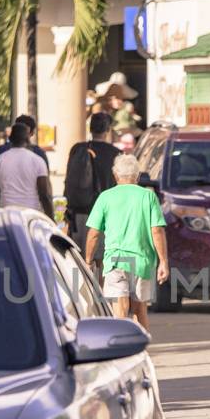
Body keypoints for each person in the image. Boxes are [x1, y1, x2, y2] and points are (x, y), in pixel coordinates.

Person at [84, 154, 168, 328]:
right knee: (140, 310)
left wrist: (88, 260)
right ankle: (141, 349)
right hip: (142, 262)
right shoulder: (148, 196)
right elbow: (157, 230)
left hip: (116, 261)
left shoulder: (105, 197)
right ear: (137, 176)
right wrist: (163, 262)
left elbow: (93, 233)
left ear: (115, 175)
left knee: (120, 311)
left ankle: (122, 349)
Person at [64, 112, 120, 245]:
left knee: (80, 260)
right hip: (104, 215)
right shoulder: (115, 153)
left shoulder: (77, 149)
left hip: (79, 212)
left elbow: (69, 179)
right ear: (107, 130)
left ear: (90, 129)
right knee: (101, 260)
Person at [0, 121, 54, 216]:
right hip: (31, 215)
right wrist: (51, 219)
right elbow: (44, 194)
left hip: (6, 214)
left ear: (10, 139)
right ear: (28, 140)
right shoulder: (38, 161)